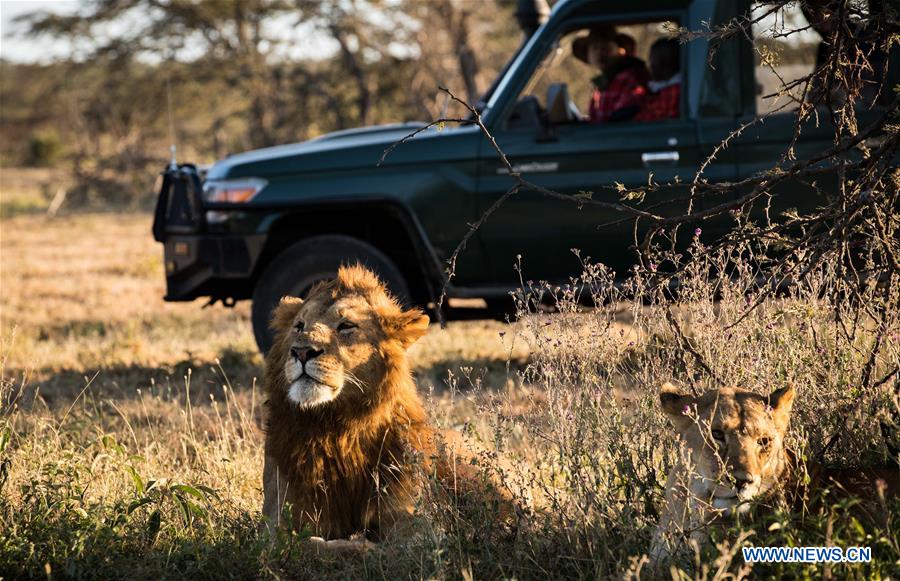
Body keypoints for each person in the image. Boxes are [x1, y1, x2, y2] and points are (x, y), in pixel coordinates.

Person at [573, 25, 649, 123]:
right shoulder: (604, 82)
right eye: (595, 48)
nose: (599, 52)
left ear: (620, 50)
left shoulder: (629, 77)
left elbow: (623, 118)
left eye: (605, 47)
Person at [636, 38, 681, 121]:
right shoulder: (661, 89)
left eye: (652, 59)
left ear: (662, 63)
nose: (649, 65)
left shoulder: (673, 92)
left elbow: (643, 122)